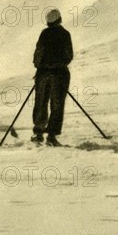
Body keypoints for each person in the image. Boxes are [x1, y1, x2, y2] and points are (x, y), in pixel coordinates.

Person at [31, 8, 73, 146]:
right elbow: (68, 56)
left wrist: (41, 68)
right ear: (59, 19)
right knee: (57, 104)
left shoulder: (44, 34)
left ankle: (38, 133)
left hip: (43, 74)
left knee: (40, 102)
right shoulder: (65, 34)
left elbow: (38, 54)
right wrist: (57, 65)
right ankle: (51, 136)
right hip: (59, 74)